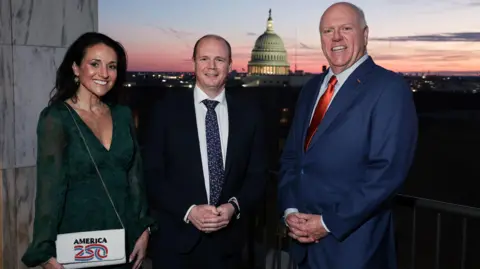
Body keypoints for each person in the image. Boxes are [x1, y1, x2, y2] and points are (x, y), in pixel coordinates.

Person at [277, 2, 418, 269]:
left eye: (346, 28)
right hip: (303, 246)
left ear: (365, 34)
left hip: (354, 249)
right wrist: (290, 211)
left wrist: (328, 223)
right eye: (328, 30)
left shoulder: (389, 88)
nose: (336, 37)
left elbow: (387, 172)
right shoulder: (310, 89)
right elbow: (293, 158)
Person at [21, 32, 155, 269]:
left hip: (125, 241)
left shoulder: (122, 115)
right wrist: (44, 250)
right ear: (75, 68)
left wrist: (144, 229)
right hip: (78, 245)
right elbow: (49, 188)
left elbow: (135, 177)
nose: (104, 73)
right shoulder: (56, 118)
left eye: (111, 66)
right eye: (94, 64)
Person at [143, 34, 268, 269]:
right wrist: (189, 210)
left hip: (228, 248)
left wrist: (233, 207)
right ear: (194, 63)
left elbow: (258, 175)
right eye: (204, 59)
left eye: (219, 60)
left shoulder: (250, 114)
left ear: (230, 66)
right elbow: (151, 173)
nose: (211, 67)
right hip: (175, 244)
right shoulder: (165, 110)